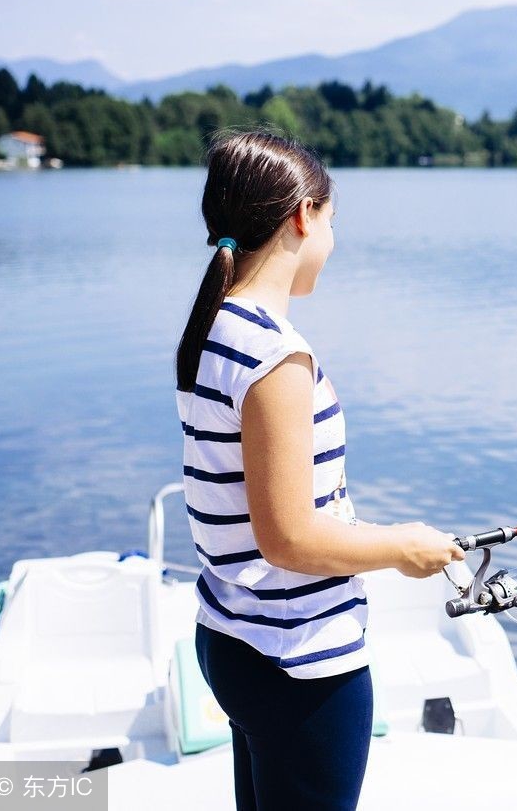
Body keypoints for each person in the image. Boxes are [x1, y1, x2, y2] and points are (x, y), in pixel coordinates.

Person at [174, 128, 464, 810]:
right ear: (303, 216)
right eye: (332, 222)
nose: (332, 242)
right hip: (298, 662)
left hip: (233, 637)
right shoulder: (276, 357)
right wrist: (402, 547)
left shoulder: (216, 327)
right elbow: (289, 539)